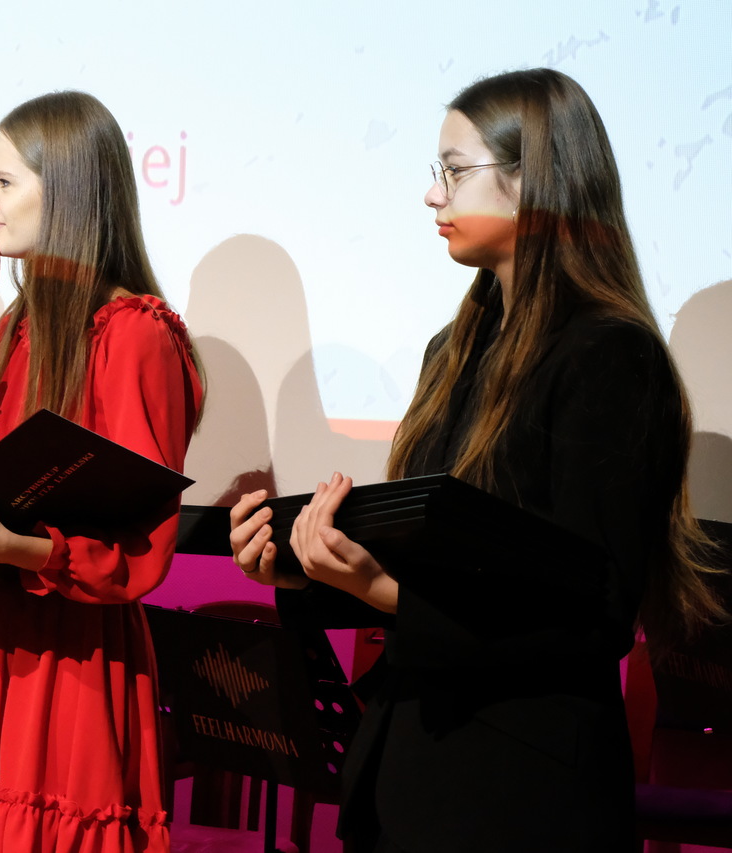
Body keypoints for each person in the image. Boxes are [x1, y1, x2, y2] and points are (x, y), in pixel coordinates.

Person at [230, 68, 726, 852]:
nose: (433, 195)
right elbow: (434, 571)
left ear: (536, 182)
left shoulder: (610, 357)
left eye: (456, 172)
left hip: (520, 795)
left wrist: (382, 590)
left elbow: (590, 617)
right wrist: (305, 567)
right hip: (409, 777)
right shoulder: (453, 348)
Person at [0, 91, 203, 853]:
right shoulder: (15, 325)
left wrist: (10, 547)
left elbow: (138, 544)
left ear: (67, 190)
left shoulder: (137, 334)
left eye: (4, 181)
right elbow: (0, 491)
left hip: (77, 652)